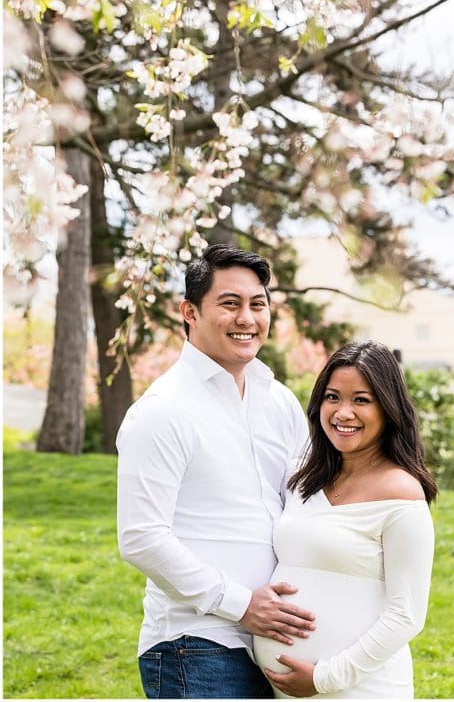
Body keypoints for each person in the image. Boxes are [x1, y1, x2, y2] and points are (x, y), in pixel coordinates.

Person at [117, 245, 318, 698]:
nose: (246, 318)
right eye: (230, 304)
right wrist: (242, 605)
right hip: (198, 645)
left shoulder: (278, 400)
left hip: (278, 645)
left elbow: (307, 502)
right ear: (189, 311)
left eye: (257, 304)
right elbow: (141, 537)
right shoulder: (163, 410)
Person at [254, 340, 437, 699]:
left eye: (361, 400)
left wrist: (326, 677)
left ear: (388, 408)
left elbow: (407, 614)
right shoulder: (303, 479)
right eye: (333, 397)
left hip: (360, 686)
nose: (343, 413)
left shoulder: (401, 493)